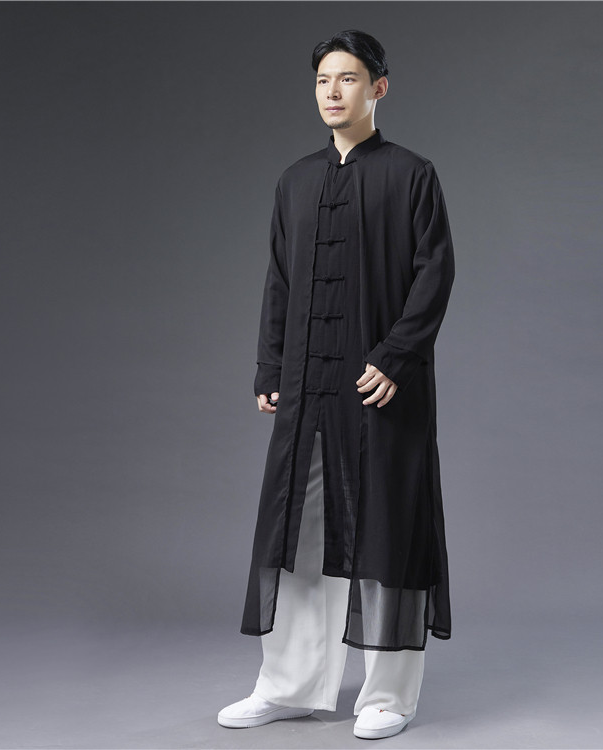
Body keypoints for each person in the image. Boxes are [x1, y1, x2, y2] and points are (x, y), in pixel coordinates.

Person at [218, 29, 456, 740]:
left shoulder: (412, 175)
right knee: (299, 531)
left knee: (389, 527)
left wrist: (395, 357)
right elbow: (279, 280)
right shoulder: (295, 181)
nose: (332, 91)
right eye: (323, 79)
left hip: (381, 386)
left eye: (348, 78)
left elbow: (435, 275)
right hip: (307, 386)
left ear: (378, 88)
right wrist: (270, 365)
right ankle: (289, 686)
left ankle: (387, 696)